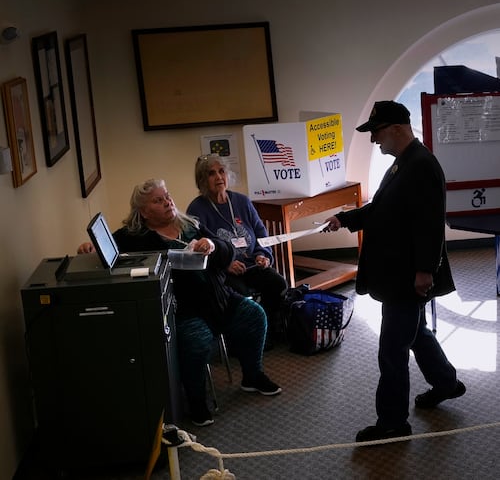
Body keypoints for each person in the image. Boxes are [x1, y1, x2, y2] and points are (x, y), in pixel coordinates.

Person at [78, 179, 281, 427]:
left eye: (167, 196)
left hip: (219, 298)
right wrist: (90, 248)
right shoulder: (134, 238)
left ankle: (252, 375)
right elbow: (107, 250)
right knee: (197, 341)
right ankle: (196, 401)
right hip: (184, 309)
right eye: (158, 200)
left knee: (255, 315)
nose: (168, 202)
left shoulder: (190, 225)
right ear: (143, 212)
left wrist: (214, 244)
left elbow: (228, 251)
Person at [323, 101, 465, 443]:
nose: (373, 140)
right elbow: (383, 206)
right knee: (415, 333)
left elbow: (430, 225)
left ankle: (391, 422)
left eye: (376, 131)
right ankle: (446, 382)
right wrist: (346, 219)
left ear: (397, 129)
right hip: (398, 275)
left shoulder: (422, 166)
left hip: (408, 277)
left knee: (391, 350)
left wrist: (424, 271)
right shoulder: (404, 163)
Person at [187, 154, 288, 347]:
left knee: (278, 283)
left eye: (221, 171)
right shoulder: (197, 209)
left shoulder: (242, 201)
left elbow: (260, 231)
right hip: (223, 272)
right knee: (239, 296)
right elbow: (197, 249)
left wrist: (262, 255)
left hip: (252, 264)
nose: (218, 177)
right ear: (202, 180)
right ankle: (242, 340)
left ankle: (269, 331)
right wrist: (226, 264)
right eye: (211, 173)